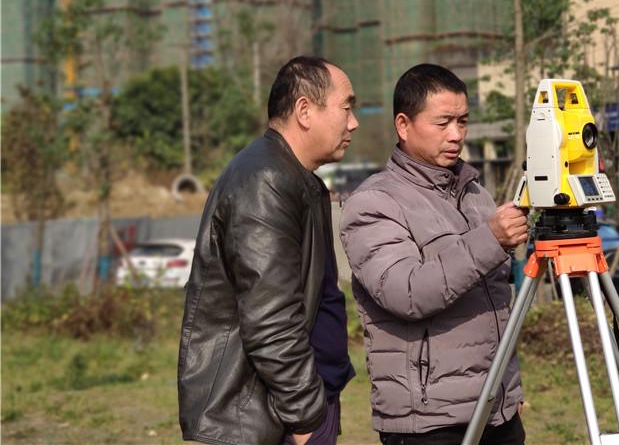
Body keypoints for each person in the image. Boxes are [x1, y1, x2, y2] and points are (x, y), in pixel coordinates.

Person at [340, 64, 529, 445]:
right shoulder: (374, 202)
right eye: (443, 122)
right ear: (403, 125)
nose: (456, 135)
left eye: (463, 121)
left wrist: (511, 387)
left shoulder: (475, 192)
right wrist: (490, 239)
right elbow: (406, 294)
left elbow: (494, 301)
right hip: (430, 422)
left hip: (497, 408)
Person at [178, 56, 359, 445]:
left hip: (298, 403)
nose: (354, 122)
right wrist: (306, 416)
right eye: (347, 107)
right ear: (305, 111)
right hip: (267, 417)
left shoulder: (295, 177)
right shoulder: (266, 180)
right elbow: (270, 317)